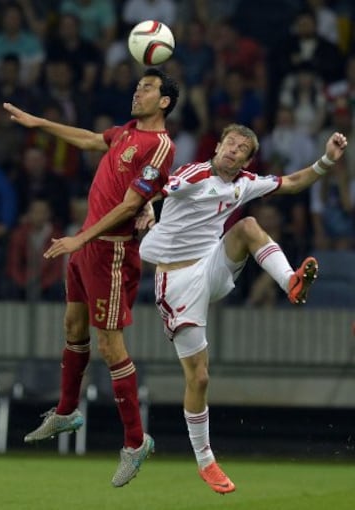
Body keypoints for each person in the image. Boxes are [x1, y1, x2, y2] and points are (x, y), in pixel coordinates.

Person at [137, 124, 347, 493]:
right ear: (217, 146)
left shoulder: (244, 182)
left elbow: (294, 182)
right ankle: (206, 461)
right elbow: (156, 187)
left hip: (211, 266)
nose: (233, 150)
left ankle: (291, 283)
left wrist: (327, 159)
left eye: (242, 148)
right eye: (230, 143)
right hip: (176, 282)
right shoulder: (195, 173)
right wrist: (146, 209)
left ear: (247, 160)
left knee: (248, 225)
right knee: (199, 378)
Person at [3, 67, 179, 487]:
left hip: (112, 252)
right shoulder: (124, 133)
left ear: (165, 102)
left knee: (109, 342)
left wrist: (79, 239)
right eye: (138, 86)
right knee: (73, 326)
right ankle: (66, 412)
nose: (138, 91)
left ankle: (135, 442)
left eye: (148, 88)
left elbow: (130, 204)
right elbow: (86, 138)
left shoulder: (160, 147)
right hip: (87, 249)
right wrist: (39, 123)